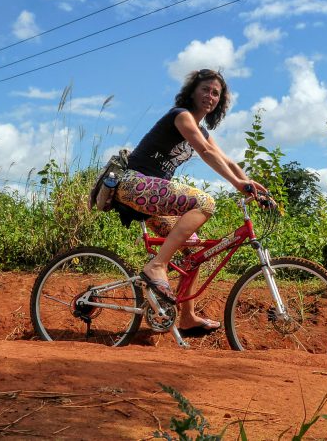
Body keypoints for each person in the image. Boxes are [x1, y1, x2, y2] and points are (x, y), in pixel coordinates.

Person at [113, 68, 269, 333]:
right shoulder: (181, 116)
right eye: (205, 89)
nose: (210, 96)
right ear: (192, 92)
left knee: (194, 254)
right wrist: (238, 185)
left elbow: (227, 160)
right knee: (205, 202)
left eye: (216, 93)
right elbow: (206, 151)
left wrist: (252, 186)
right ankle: (157, 266)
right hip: (133, 184)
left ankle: (187, 318)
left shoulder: (203, 130)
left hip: (153, 196)